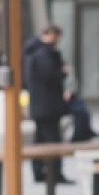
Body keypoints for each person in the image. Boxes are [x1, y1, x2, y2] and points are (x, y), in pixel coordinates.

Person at [24, 24, 69, 185]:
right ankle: (54, 173)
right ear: (51, 34)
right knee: (52, 140)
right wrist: (63, 72)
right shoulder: (44, 54)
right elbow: (49, 76)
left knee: (40, 140)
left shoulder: (33, 52)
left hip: (39, 104)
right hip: (48, 105)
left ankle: (40, 172)